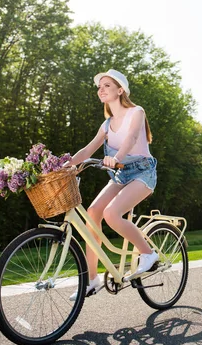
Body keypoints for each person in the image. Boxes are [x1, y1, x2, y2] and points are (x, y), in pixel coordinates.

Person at [64, 69, 158, 298]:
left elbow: (132, 137)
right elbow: (88, 149)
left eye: (107, 85)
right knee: (93, 212)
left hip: (142, 173)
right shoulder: (106, 125)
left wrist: (116, 158)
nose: (101, 89)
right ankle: (92, 279)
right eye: (99, 86)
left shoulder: (136, 112)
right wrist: (64, 164)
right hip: (120, 175)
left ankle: (148, 254)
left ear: (120, 90)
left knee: (111, 214)